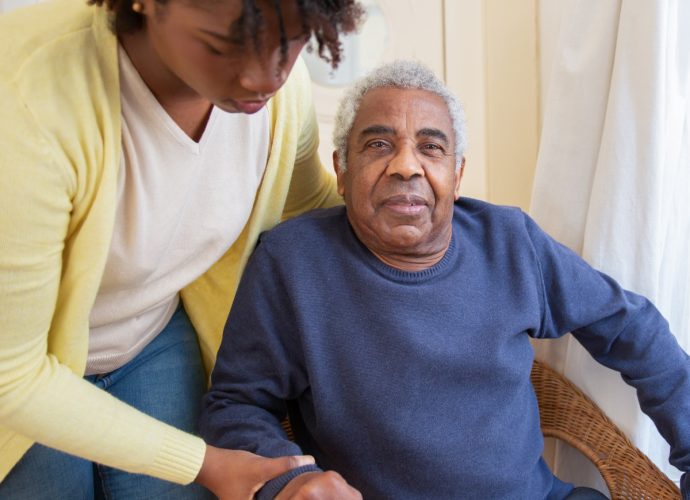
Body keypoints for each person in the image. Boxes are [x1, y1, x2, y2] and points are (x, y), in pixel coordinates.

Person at [199, 60, 690, 499]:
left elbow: (632, 329)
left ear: (457, 176)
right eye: (378, 144)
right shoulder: (293, 261)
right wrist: (290, 483)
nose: (406, 166)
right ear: (341, 172)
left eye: (430, 147)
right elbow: (234, 406)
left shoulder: (510, 240)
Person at [0, 0, 364, 498]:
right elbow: (11, 377)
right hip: (20, 371)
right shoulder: (26, 99)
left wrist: (458, 236)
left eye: (289, 43)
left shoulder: (282, 101)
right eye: (222, 47)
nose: (264, 77)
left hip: (151, 332)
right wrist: (205, 463)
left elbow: (309, 207)